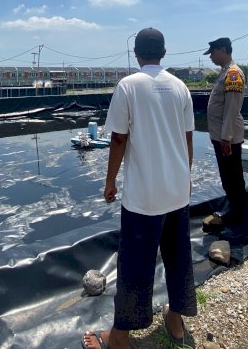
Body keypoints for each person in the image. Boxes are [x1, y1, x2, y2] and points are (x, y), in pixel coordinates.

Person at [82, 28, 197, 349]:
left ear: (136, 53)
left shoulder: (128, 86)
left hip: (144, 197)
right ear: (164, 51)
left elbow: (118, 138)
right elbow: (188, 138)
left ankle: (119, 338)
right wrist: (184, 177)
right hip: (177, 191)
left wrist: (109, 182)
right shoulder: (180, 87)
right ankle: (175, 320)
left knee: (135, 265)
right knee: (178, 257)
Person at [203, 37, 248, 245]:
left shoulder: (233, 73)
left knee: (234, 183)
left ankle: (242, 230)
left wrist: (226, 138)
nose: (211, 57)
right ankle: (234, 214)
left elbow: (232, 109)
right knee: (228, 180)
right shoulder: (225, 72)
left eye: (213, 53)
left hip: (227, 139)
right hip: (222, 137)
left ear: (222, 50)